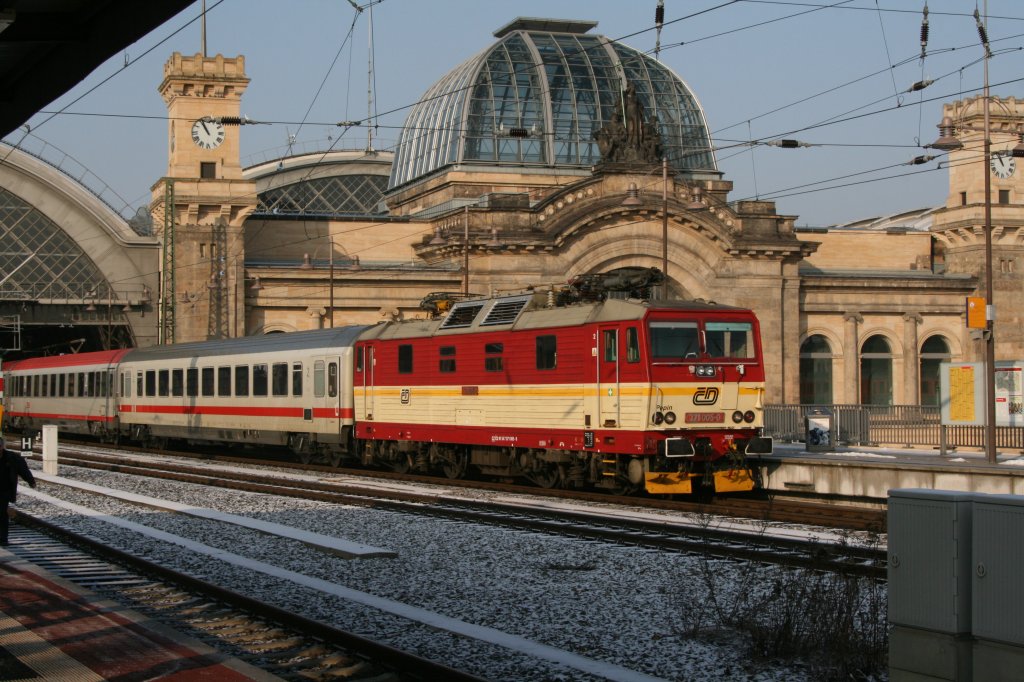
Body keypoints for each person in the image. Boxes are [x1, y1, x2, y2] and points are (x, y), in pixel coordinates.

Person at [1, 438, 36, 546]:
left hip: (4, 490)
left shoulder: (12, 458)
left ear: (2, 447)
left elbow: (23, 469)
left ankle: (3, 539)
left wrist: (30, 481)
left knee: (2, 514)